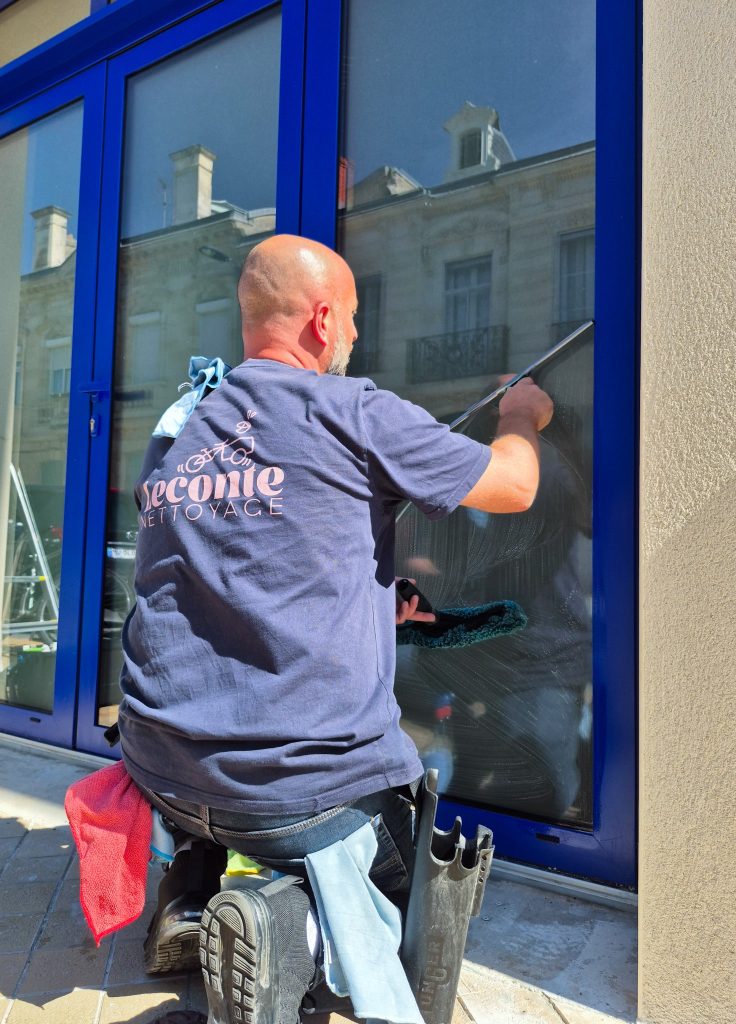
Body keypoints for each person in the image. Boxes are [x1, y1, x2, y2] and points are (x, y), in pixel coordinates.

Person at [117, 234, 553, 1024]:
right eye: (352, 319)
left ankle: (187, 895)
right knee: (421, 878)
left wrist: (371, 598)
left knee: (230, 760)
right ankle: (290, 932)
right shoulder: (352, 409)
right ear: (323, 321)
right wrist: (522, 415)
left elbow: (230, 569)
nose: (354, 337)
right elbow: (516, 486)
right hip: (295, 800)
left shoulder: (187, 428)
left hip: (163, 774)